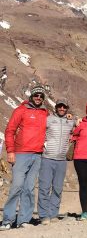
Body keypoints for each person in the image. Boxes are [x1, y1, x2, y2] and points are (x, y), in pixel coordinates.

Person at [0, 86, 48, 231]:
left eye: (41, 95)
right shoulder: (21, 110)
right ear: (32, 96)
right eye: (36, 95)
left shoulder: (45, 113)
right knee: (16, 187)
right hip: (21, 154)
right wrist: (10, 151)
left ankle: (23, 220)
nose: (38, 97)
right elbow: (10, 131)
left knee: (29, 188)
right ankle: (7, 220)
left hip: (37, 155)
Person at [37, 99, 76, 225]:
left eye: (64, 107)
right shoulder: (48, 119)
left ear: (67, 108)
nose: (62, 109)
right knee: (44, 188)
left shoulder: (70, 121)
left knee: (58, 188)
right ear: (56, 107)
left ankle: (53, 214)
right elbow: (38, 131)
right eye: (60, 106)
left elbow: (80, 125)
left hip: (62, 160)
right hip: (47, 158)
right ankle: (43, 216)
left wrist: (74, 118)